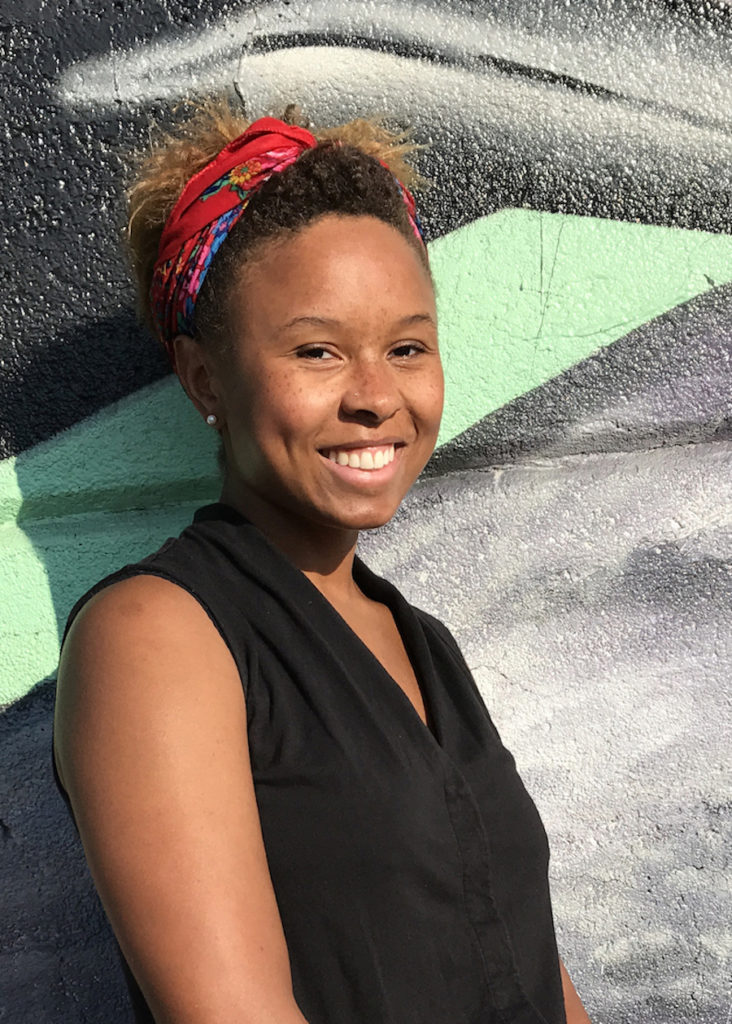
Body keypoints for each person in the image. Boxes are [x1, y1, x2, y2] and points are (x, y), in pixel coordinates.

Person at [54, 99, 591, 1024]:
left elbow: (540, 983)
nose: (378, 395)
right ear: (205, 379)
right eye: (317, 351)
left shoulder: (423, 643)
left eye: (408, 347)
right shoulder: (156, 637)